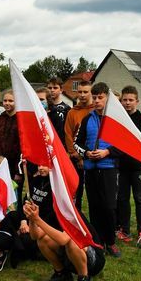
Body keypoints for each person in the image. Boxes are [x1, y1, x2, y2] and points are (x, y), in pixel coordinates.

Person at [74, 82, 122, 257]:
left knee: (108, 206)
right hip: (91, 169)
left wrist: (107, 152)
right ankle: (97, 240)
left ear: (107, 98)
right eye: (94, 97)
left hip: (108, 168)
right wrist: (86, 153)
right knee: (94, 206)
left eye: (100, 97)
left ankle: (111, 242)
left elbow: (124, 145)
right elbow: (76, 143)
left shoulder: (116, 120)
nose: (96, 100)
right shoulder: (87, 118)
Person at [24, 201, 105, 281]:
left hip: (94, 261)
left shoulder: (73, 215)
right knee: (42, 241)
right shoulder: (54, 214)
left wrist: (38, 220)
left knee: (72, 242)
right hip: (72, 255)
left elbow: (63, 239)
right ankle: (62, 274)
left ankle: (84, 279)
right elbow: (35, 236)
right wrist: (32, 219)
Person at [116, 86, 141, 248]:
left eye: (131, 100)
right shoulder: (118, 119)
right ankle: (125, 230)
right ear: (121, 101)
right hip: (121, 167)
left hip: (138, 168)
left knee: (139, 199)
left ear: (137, 101)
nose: (127, 103)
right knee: (122, 199)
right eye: (125, 100)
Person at [64, 81, 93, 210]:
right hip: (77, 158)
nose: (82, 95)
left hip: (94, 156)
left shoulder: (95, 110)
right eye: (80, 92)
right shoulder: (72, 112)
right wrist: (77, 156)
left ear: (91, 92)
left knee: (94, 191)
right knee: (77, 190)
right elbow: (68, 134)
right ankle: (77, 216)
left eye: (85, 92)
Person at [0, 90, 23, 200]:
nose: (7, 103)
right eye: (5, 100)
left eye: (11, 101)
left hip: (13, 167)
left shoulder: (21, 121)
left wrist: (19, 172)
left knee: (13, 198)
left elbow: (23, 147)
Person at [47, 77, 71, 149]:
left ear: (61, 90)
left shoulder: (67, 109)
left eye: (55, 88)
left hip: (60, 145)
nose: (52, 90)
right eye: (50, 88)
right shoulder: (42, 108)